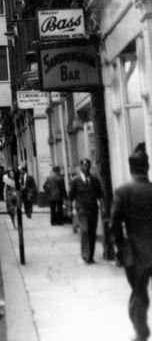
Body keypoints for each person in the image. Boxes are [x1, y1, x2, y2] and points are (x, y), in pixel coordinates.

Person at [112, 145, 152, 341]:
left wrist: (121, 246)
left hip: (135, 252)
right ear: (147, 167)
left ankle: (141, 331)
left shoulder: (122, 192)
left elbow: (114, 223)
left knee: (138, 291)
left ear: (130, 168)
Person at [69, 158, 104, 263]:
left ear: (90, 167)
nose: (86, 168)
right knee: (85, 230)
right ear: (81, 167)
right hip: (82, 209)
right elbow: (71, 196)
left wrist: (102, 207)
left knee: (92, 232)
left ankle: (90, 256)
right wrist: (70, 209)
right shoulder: (75, 181)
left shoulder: (95, 180)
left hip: (93, 209)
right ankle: (85, 254)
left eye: (87, 166)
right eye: (84, 166)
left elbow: (100, 195)